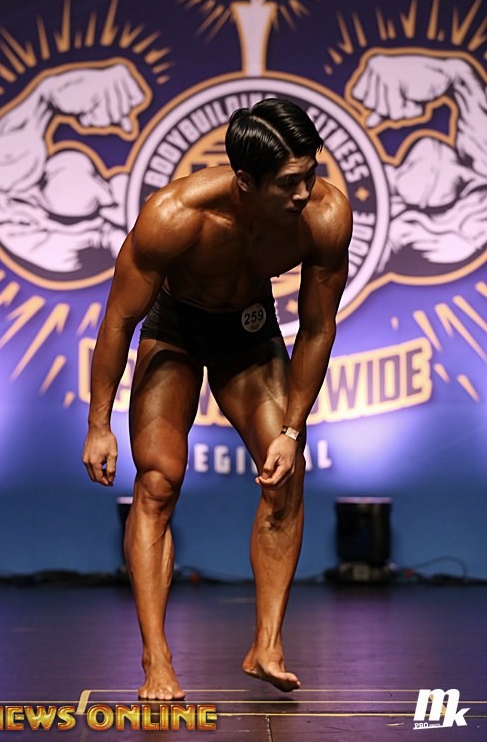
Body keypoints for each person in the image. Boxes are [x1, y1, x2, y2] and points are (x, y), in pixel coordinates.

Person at [83, 98, 352, 700]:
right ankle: (156, 659)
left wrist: (292, 431)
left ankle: (267, 645)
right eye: (288, 182)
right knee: (157, 481)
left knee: (286, 473)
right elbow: (118, 322)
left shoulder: (326, 215)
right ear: (246, 181)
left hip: (249, 332)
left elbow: (317, 329)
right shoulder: (174, 215)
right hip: (174, 328)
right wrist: (99, 424)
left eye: (310, 174)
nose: (305, 192)